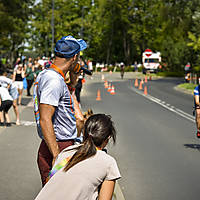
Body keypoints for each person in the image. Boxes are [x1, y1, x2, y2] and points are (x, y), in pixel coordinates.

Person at [33, 35, 87, 186]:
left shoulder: (49, 75)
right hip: (58, 145)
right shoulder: (53, 80)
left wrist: (73, 81)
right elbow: (45, 119)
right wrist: (57, 155)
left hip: (56, 144)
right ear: (74, 57)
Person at [34, 114, 121, 200]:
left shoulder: (67, 152)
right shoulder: (108, 163)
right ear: (108, 138)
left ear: (85, 133)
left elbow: (49, 179)